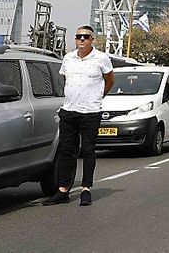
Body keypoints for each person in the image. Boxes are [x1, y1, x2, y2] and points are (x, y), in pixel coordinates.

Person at [43, 26, 115, 207]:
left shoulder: (101, 58)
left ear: (92, 39)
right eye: (79, 37)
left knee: (89, 150)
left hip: (91, 112)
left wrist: (98, 97)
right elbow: (66, 80)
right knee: (67, 150)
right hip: (69, 111)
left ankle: (86, 189)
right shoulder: (68, 58)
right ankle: (63, 190)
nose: (82, 39)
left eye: (86, 37)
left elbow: (110, 80)